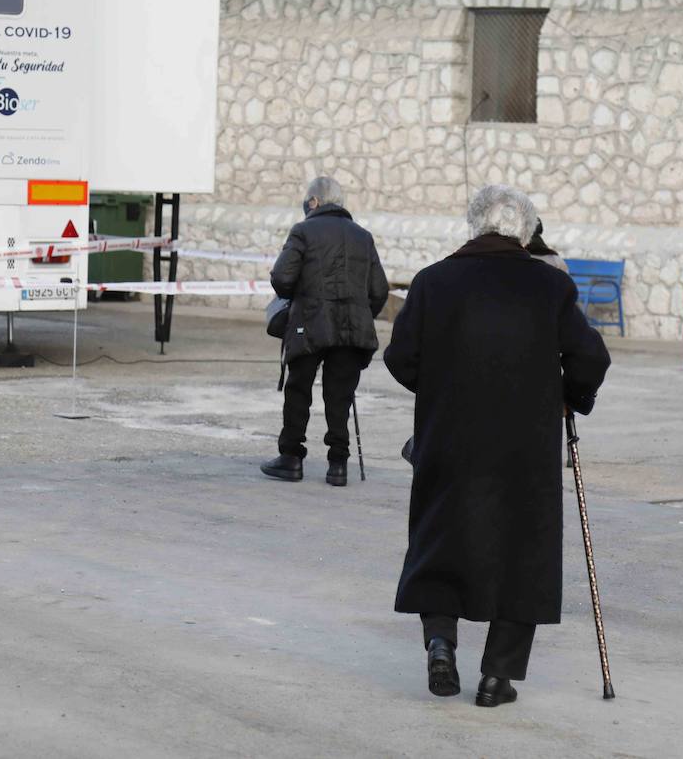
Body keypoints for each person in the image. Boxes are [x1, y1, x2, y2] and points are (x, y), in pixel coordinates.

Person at [384, 185, 611, 708]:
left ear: (474, 225)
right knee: (522, 551)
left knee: (440, 537)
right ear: (526, 231)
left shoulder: (433, 281)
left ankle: (440, 642)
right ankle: (496, 678)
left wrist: (442, 386)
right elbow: (590, 360)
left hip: (448, 436)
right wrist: (569, 395)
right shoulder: (549, 287)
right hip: (524, 447)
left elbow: (400, 357)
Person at [260, 176, 389, 488]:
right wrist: (360, 314)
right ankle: (338, 465)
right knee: (339, 394)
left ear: (314, 202)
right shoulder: (363, 236)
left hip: (309, 323)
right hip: (351, 328)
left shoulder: (303, 231)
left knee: (298, 389)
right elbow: (380, 290)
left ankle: (291, 459)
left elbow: (281, 277)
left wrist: (298, 295)